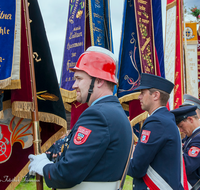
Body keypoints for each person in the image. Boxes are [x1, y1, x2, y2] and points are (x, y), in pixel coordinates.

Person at [28, 46, 132, 189]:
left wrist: (45, 168)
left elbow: (67, 174)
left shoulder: (98, 115)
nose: (74, 85)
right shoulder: (115, 112)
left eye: (79, 78)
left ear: (99, 81)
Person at [128, 73, 184, 190]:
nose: (139, 97)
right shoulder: (165, 119)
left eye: (143, 93)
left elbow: (136, 168)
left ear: (155, 95)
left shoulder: (156, 122)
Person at [171, 105, 200, 188]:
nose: (181, 130)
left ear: (190, 119)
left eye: (181, 126)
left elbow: (186, 165)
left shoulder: (198, 138)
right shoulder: (192, 135)